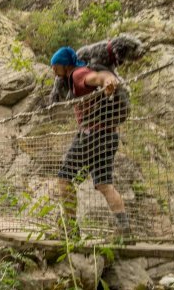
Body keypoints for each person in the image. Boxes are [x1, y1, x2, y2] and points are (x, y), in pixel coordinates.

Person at [50, 47, 131, 239]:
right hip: (109, 136)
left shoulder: (78, 74)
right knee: (105, 184)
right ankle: (125, 231)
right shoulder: (73, 78)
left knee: (64, 178)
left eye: (54, 65)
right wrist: (107, 81)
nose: (53, 70)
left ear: (64, 64)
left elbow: (96, 77)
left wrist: (107, 80)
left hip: (91, 135)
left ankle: (69, 231)